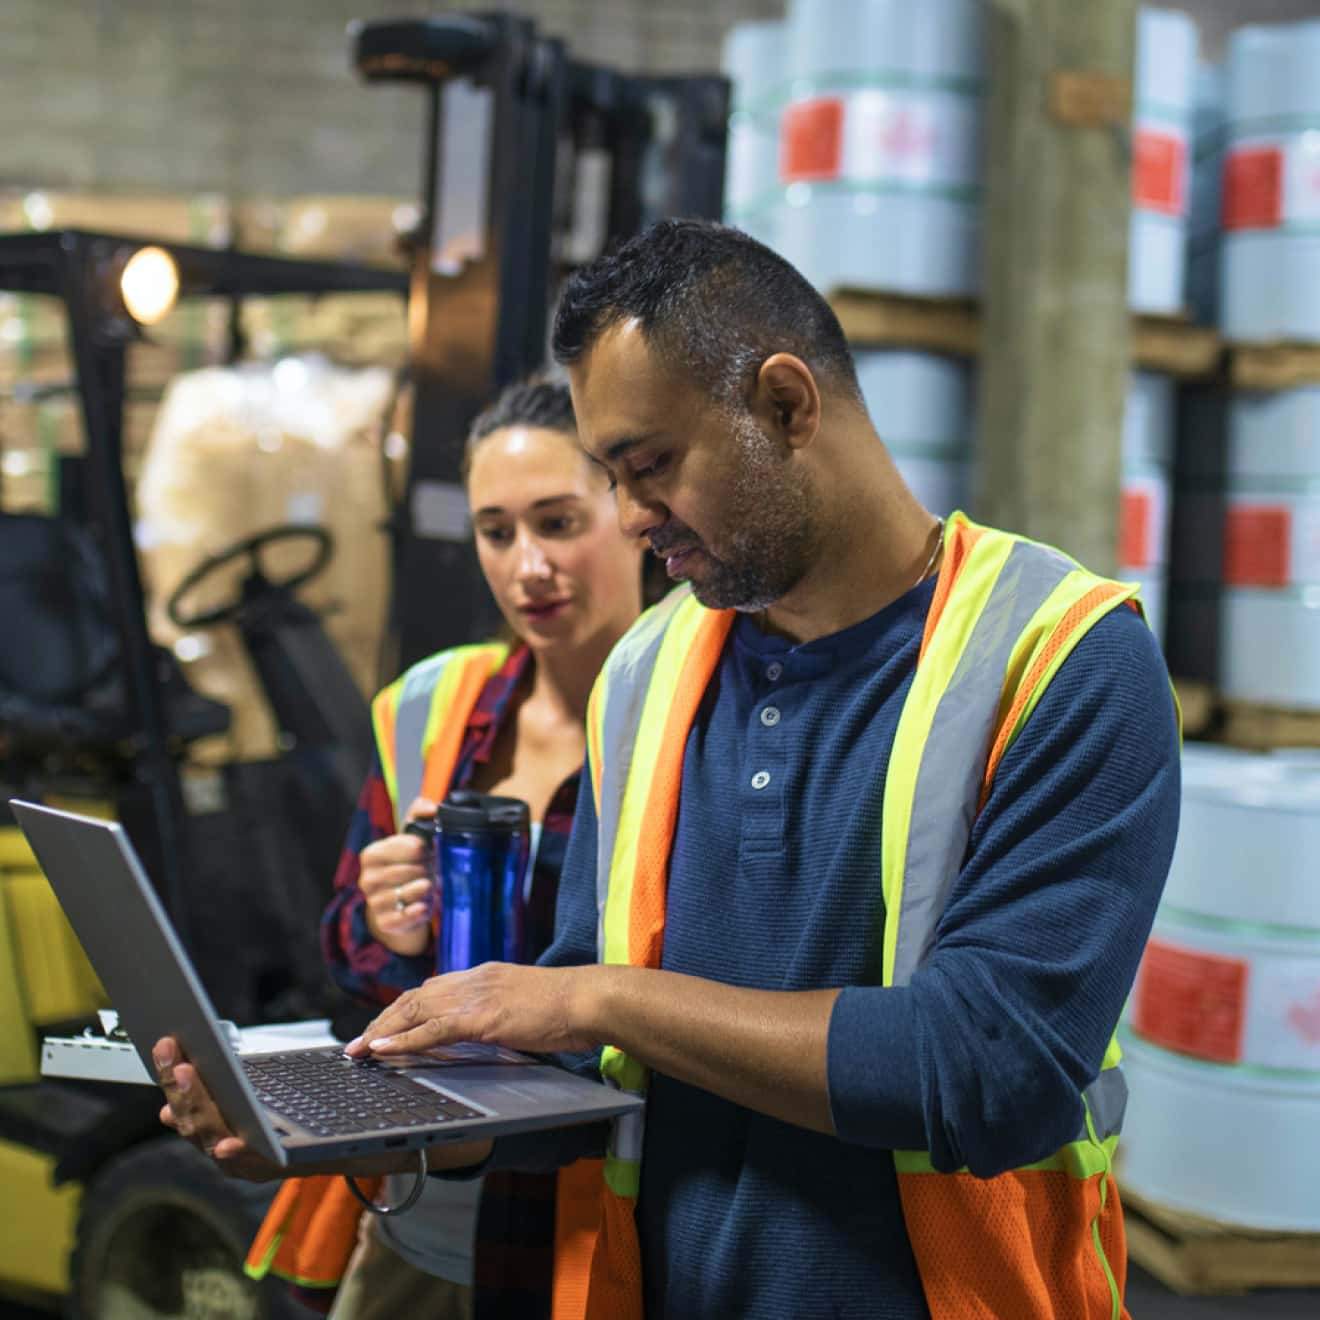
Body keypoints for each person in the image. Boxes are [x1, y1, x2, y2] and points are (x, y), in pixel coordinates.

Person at [159, 221, 1181, 1320]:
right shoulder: (650, 672)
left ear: (788, 406)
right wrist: (339, 1131)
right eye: (613, 475)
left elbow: (988, 1069)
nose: (633, 517)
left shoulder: (1062, 658)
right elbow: (581, 1081)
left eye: (649, 467)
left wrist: (598, 997)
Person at [245, 375, 645, 1320]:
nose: (527, 567)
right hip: (427, 1206)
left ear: (632, 512)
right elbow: (346, 939)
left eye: (557, 522)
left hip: (602, 1214)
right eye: (496, 532)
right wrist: (391, 924)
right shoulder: (433, 704)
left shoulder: (700, 713)